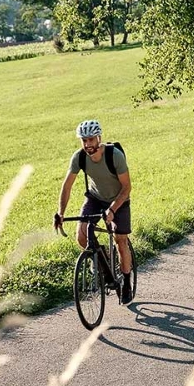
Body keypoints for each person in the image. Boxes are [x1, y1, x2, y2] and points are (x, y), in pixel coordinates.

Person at [55, 119, 134, 304]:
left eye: (91, 139)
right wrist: (60, 213)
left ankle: (127, 283)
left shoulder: (114, 156)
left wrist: (113, 209)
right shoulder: (79, 157)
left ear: (99, 138)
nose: (88, 144)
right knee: (82, 237)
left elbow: (127, 187)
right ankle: (104, 261)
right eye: (84, 140)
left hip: (119, 199)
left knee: (120, 240)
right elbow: (67, 187)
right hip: (95, 198)